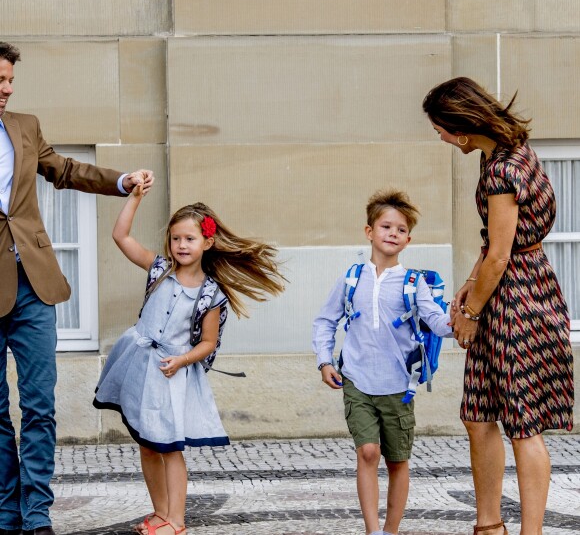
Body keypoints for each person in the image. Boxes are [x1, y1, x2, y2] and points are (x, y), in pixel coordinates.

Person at [0, 42, 154, 535]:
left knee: (39, 406)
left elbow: (65, 170)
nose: (6, 90)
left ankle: (36, 514)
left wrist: (122, 180)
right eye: (0, 81)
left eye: (10, 82)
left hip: (34, 287)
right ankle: (6, 514)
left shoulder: (25, 126)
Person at [423, 76, 574, 535]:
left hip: (517, 299)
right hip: (516, 284)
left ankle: (529, 533)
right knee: (477, 414)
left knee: (523, 424)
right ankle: (489, 524)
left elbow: (501, 254)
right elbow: (495, 244)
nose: (441, 137)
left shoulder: (502, 171)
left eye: (442, 130)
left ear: (462, 129)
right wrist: (469, 286)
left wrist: (469, 315)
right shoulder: (507, 151)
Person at [93, 188, 285, 535]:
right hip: (140, 366)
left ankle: (177, 521)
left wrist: (181, 360)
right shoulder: (159, 269)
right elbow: (120, 236)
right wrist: (135, 196)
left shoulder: (211, 294)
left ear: (207, 242)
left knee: (168, 447)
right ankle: (160, 513)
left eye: (190, 238)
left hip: (171, 374)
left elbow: (208, 342)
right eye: (176, 237)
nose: (182, 244)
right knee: (148, 445)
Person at [312, 189, 452, 535]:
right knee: (368, 453)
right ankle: (373, 531)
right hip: (357, 380)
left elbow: (436, 321)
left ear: (408, 239)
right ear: (369, 232)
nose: (393, 233)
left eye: (401, 229)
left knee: (397, 460)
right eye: (386, 226)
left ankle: (391, 530)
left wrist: (465, 320)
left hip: (398, 386)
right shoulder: (352, 278)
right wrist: (324, 360)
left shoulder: (413, 282)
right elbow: (325, 320)